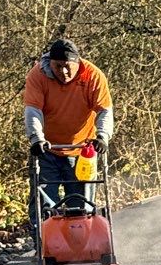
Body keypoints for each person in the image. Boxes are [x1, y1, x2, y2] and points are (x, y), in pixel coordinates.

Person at [23, 38, 114, 227]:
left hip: (82, 151)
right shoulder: (38, 76)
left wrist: (102, 136)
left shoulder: (93, 76)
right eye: (58, 66)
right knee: (45, 204)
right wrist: (36, 138)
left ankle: (81, 246)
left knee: (81, 207)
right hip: (47, 150)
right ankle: (47, 247)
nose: (63, 72)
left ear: (77, 63)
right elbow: (33, 111)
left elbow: (104, 110)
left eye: (67, 66)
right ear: (50, 63)